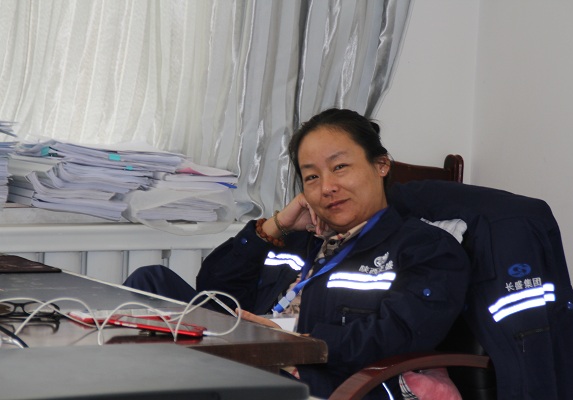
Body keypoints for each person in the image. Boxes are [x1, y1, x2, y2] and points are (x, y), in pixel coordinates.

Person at [124, 108, 470, 399]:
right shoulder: (300, 239)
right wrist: (275, 227)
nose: (327, 187)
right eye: (312, 176)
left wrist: (289, 338)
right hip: (248, 350)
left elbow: (399, 333)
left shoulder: (425, 247)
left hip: (318, 374)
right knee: (149, 282)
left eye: (340, 167)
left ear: (381, 165)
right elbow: (214, 287)